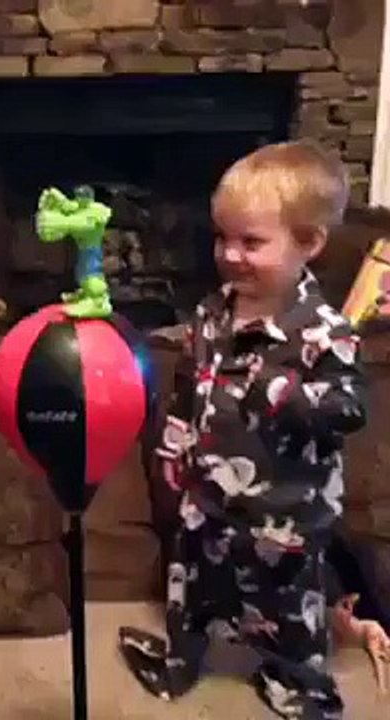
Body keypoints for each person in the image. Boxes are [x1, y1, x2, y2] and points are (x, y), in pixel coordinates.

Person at [119, 140, 369, 719]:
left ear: (309, 243)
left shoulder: (324, 332)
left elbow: (350, 410)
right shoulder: (214, 311)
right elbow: (190, 382)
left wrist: (286, 392)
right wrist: (173, 444)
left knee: (290, 610)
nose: (230, 255)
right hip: (207, 498)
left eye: (251, 242)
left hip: (286, 513)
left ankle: (298, 685)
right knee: (191, 586)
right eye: (222, 238)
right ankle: (181, 660)